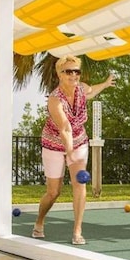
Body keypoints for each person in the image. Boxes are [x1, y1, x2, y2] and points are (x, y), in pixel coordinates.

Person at [32, 55, 115, 245]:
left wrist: (106, 83)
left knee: (80, 184)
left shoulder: (81, 89)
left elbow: (92, 91)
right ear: (59, 74)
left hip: (78, 141)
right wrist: (68, 151)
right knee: (54, 192)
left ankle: (77, 230)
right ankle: (39, 222)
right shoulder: (54, 100)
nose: (73, 75)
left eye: (76, 71)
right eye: (68, 71)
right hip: (54, 144)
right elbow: (65, 128)